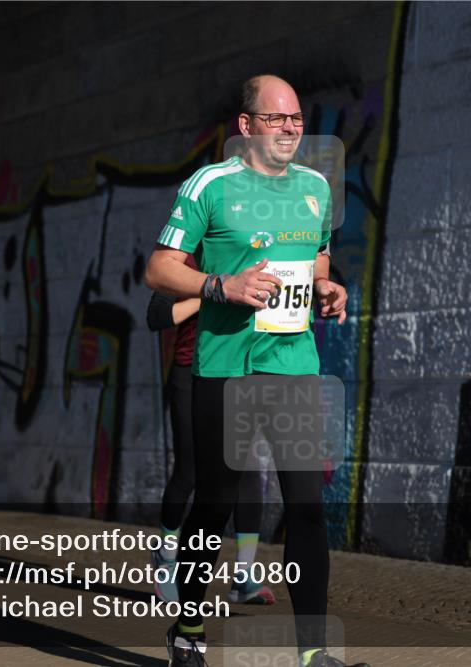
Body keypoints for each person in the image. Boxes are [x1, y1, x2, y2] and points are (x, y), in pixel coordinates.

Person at [145, 74, 367, 667]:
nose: (290, 129)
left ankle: (315, 652)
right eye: (277, 119)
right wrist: (221, 285)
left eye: (296, 119)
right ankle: (188, 631)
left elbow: (317, 260)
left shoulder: (316, 188)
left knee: (307, 509)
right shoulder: (210, 186)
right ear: (246, 127)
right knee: (214, 506)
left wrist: (327, 289)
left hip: (294, 367)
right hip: (226, 370)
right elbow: (160, 270)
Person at [146, 255, 276, 606]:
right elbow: (157, 316)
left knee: (246, 470)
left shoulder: (252, 252)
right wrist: (216, 290)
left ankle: (244, 576)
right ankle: (166, 558)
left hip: (239, 370)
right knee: (189, 471)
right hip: (191, 371)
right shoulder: (186, 257)